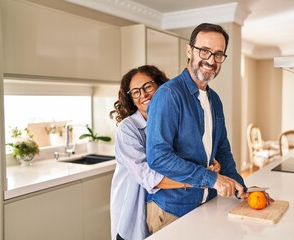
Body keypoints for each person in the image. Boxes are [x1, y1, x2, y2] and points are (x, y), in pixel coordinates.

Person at [146, 23, 259, 233]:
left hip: (206, 205)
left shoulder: (214, 99)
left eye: (218, 54)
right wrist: (212, 178)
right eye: (204, 51)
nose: (210, 60)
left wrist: (239, 187)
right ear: (189, 51)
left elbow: (222, 150)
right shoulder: (169, 95)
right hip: (172, 210)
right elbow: (158, 156)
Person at [109, 65, 221, 240]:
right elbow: (148, 175)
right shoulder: (128, 129)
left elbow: (186, 153)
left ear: (160, 86)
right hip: (134, 205)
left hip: (171, 203)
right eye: (136, 92)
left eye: (148, 87)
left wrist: (211, 163)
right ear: (130, 98)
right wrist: (200, 179)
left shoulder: (172, 116)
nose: (143, 95)